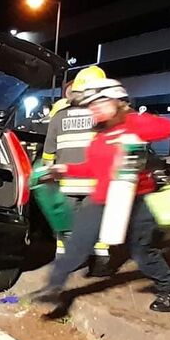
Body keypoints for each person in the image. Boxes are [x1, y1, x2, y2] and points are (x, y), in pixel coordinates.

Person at [34, 79, 170, 313]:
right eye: (91, 105)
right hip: (101, 199)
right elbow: (94, 168)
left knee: (141, 251)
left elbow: (169, 128)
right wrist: (63, 170)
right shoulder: (101, 134)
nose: (94, 109)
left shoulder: (131, 123)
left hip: (135, 201)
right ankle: (53, 289)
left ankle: (169, 289)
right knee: (76, 244)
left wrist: (133, 124)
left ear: (118, 101)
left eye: (99, 103)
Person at [42, 65, 112, 275]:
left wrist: (48, 177)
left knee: (65, 224)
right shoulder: (105, 117)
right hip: (98, 184)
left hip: (67, 183)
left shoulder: (59, 117)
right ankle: (100, 265)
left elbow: (48, 156)